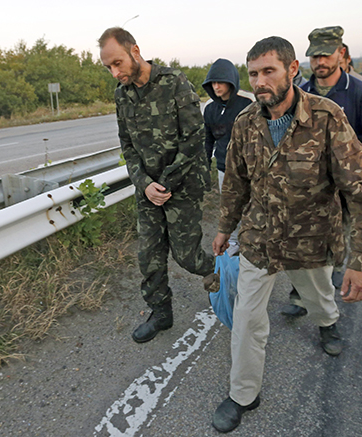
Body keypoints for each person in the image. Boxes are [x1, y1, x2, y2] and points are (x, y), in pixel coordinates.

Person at [210, 36, 362, 433]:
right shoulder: (245, 123)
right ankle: (244, 394)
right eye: (254, 73)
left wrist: (361, 264)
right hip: (260, 239)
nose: (259, 81)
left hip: (311, 238)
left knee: (318, 297)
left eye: (269, 71)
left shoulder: (327, 118)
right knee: (246, 318)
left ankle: (328, 321)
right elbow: (236, 183)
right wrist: (225, 228)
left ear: (293, 70)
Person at [98, 27, 216, 343]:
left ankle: (221, 275)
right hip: (149, 190)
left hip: (183, 184)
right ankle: (161, 314)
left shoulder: (173, 82)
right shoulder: (122, 95)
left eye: (118, 63)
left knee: (186, 256)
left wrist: (164, 185)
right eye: (108, 67)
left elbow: (193, 138)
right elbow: (127, 146)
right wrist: (145, 184)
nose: (114, 72)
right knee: (148, 256)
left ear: (135, 51)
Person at [281, 26, 362, 317]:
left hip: (344, 190)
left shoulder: (359, 92)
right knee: (300, 240)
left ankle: (326, 308)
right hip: (309, 189)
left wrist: (347, 151)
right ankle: (299, 295)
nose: (319, 62)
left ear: (340, 53)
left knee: (334, 247)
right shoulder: (301, 92)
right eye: (314, 56)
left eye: (325, 55)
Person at [202, 59, 252, 256]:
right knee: (228, 208)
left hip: (247, 170)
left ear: (231, 82)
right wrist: (205, 166)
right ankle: (231, 245)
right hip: (223, 168)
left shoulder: (248, 104)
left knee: (249, 208)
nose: (216, 87)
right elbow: (207, 141)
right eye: (212, 83)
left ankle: (250, 246)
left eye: (220, 82)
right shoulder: (209, 108)